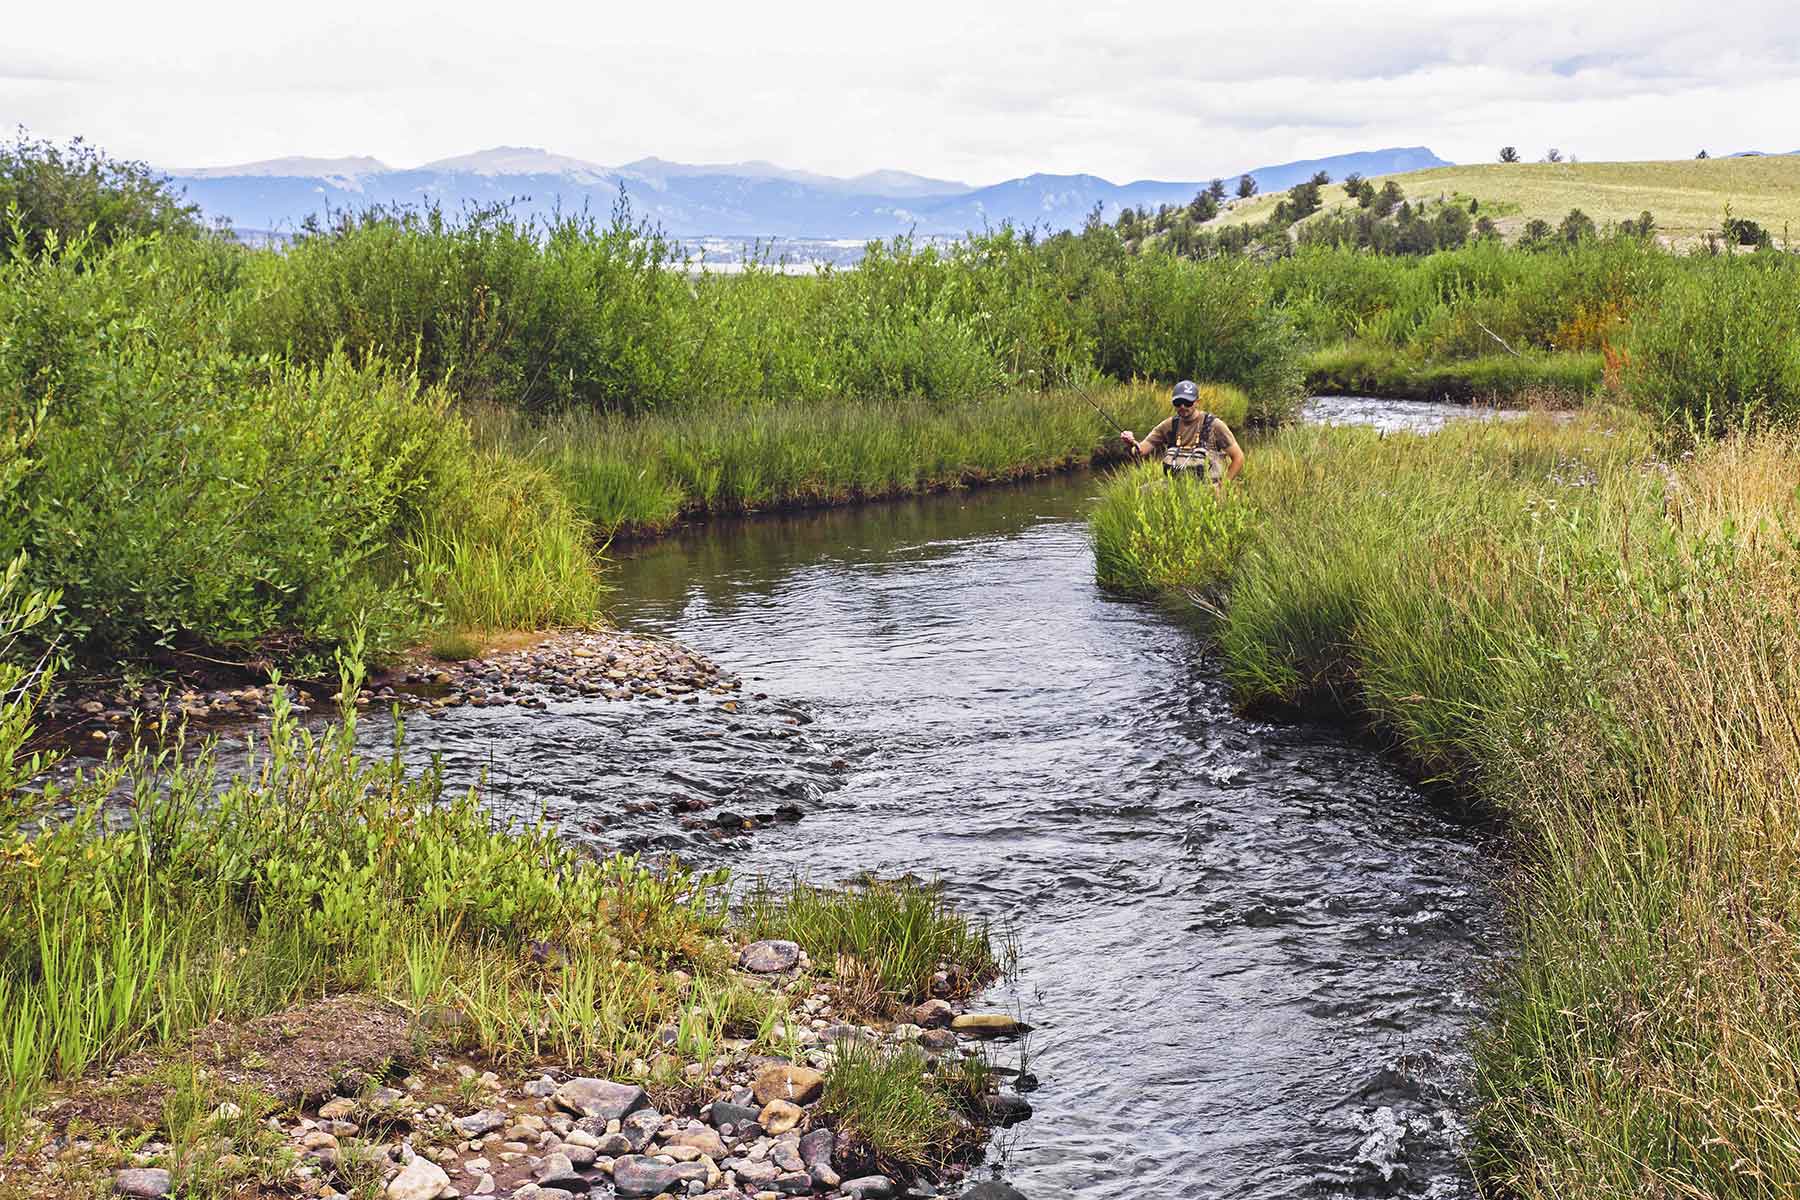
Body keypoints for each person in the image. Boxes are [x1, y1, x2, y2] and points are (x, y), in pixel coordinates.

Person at [1120, 380, 1244, 484]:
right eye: (1178, 403)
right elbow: (1141, 451)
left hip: (1207, 487)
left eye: (1188, 402)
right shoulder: (1168, 425)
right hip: (1174, 485)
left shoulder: (1215, 425)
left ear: (1197, 402)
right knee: (1143, 492)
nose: (1182, 407)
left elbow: (1238, 457)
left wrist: (1223, 486)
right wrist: (1131, 443)